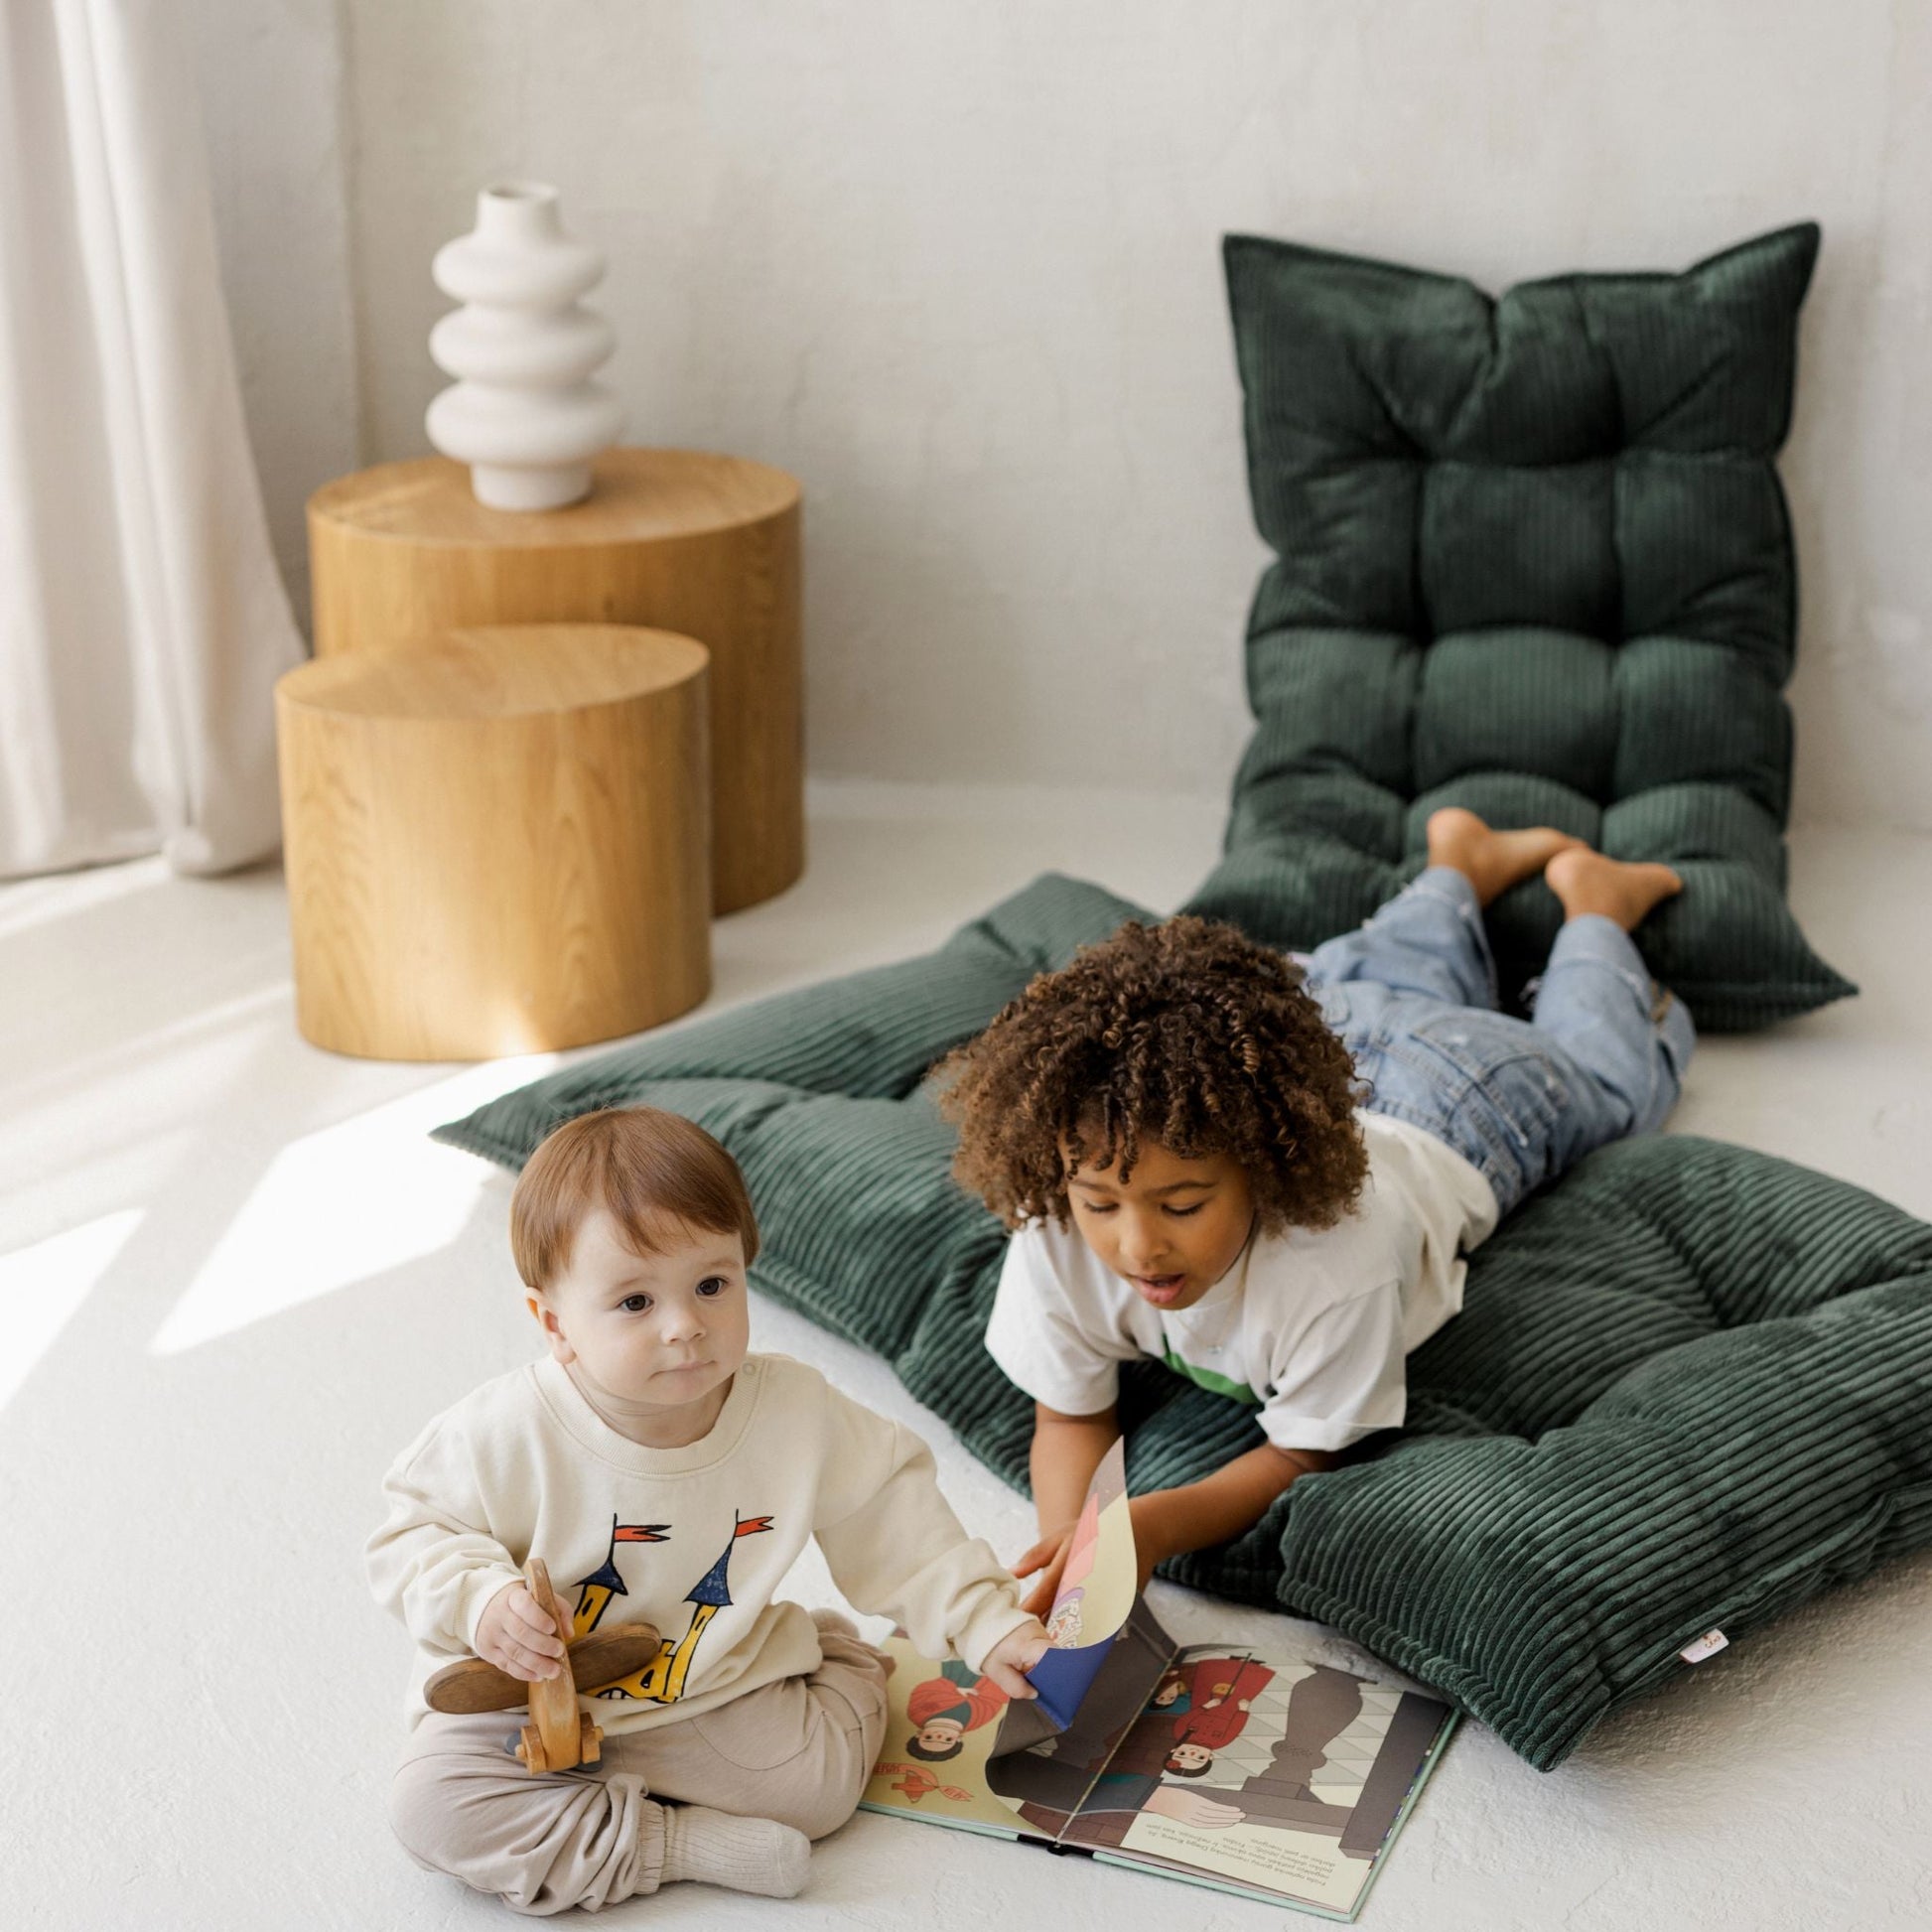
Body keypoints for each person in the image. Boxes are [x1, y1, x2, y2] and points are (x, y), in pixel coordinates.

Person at [936, 807, 1693, 1613]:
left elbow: (1303, 1456)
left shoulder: (1337, 1266)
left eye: (1183, 1205)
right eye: (1099, 1202)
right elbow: (1066, 1413)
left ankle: (1595, 908)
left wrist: (1154, 1526)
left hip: (1462, 1100)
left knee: (1611, 1087)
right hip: (1338, 1020)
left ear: (1264, 1170)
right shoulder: (1055, 1227)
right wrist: (1074, 1545)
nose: (1137, 1245)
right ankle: (1458, 868)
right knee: (1379, 979)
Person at [367, 1106, 1050, 1913]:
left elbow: (890, 1509)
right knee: (429, 1809)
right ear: (554, 1325)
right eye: (633, 1303)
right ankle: (669, 1844)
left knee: (821, 1790)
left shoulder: (793, 1410)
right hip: (526, 1704)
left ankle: (827, 1656)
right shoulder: (502, 1433)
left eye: (712, 1284)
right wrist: (482, 1601)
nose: (686, 1326)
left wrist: (983, 1618)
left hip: (706, 1682)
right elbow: (410, 1533)